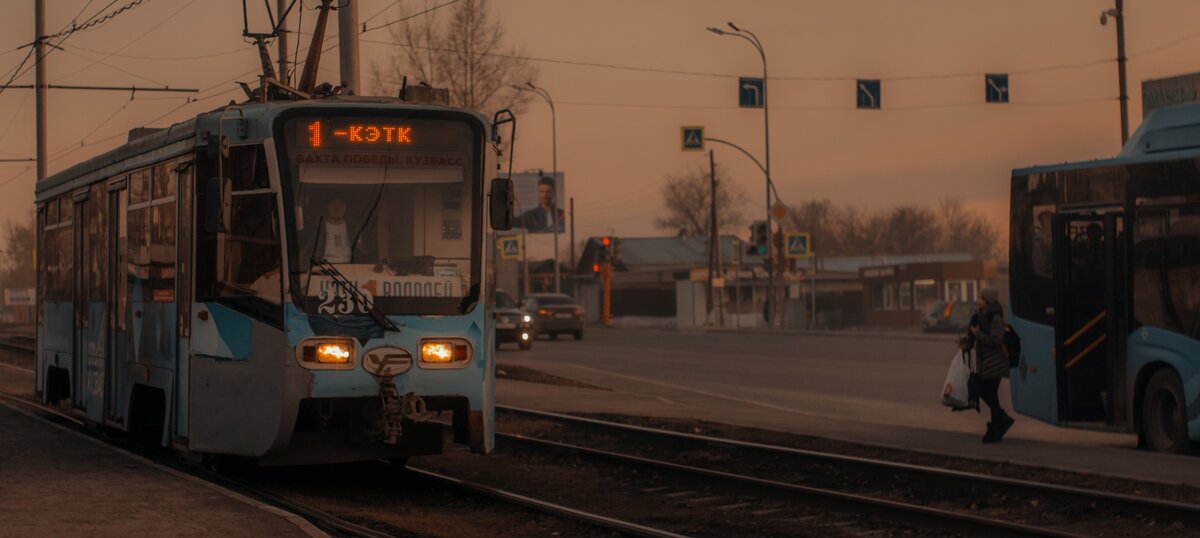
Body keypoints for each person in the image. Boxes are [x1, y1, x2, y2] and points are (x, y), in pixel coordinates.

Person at [967, 287, 1015, 443]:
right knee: (984, 392)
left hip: (995, 364)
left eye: (981, 298)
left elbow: (996, 340)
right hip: (986, 363)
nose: (978, 300)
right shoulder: (980, 316)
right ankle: (1000, 422)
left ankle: (997, 428)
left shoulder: (995, 318)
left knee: (990, 395)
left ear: (988, 301)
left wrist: (977, 334)